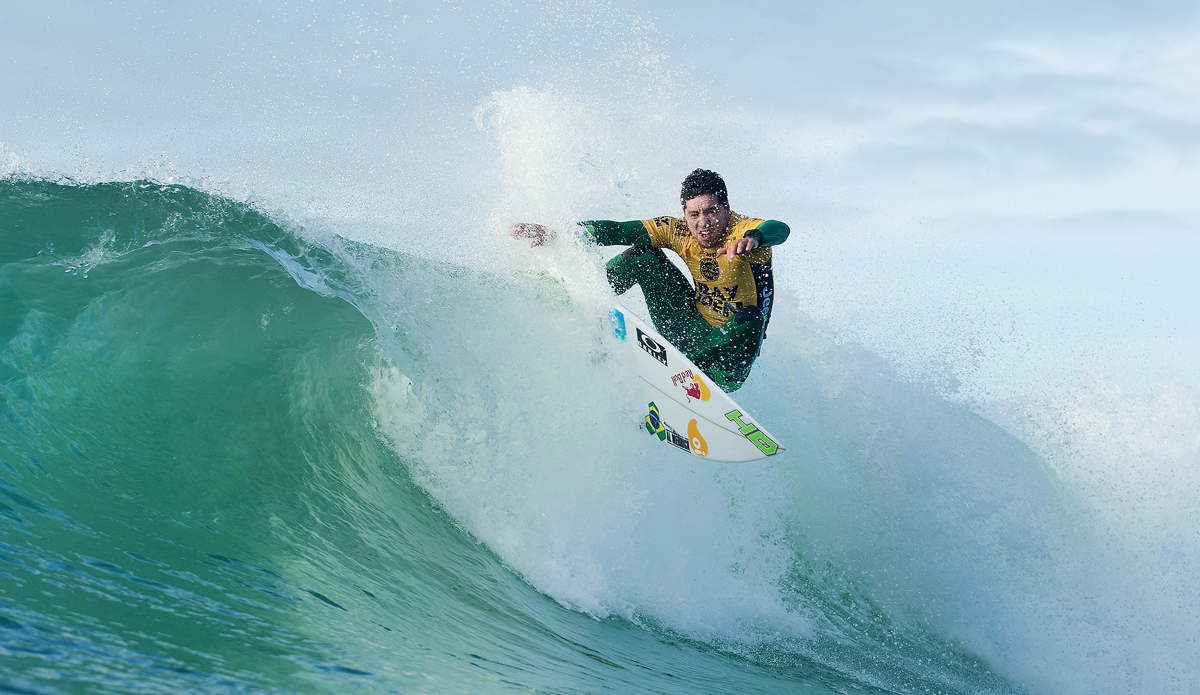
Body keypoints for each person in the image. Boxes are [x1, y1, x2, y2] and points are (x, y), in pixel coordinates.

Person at [511, 168, 789, 391]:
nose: (703, 222)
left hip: (728, 356)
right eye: (694, 214)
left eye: (711, 211)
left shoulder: (744, 231)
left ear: (726, 207)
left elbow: (780, 229)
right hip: (688, 331)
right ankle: (581, 292)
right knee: (643, 255)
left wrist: (756, 238)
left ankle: (694, 378)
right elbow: (617, 231)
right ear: (685, 214)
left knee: (750, 316)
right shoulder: (678, 230)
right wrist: (560, 234)